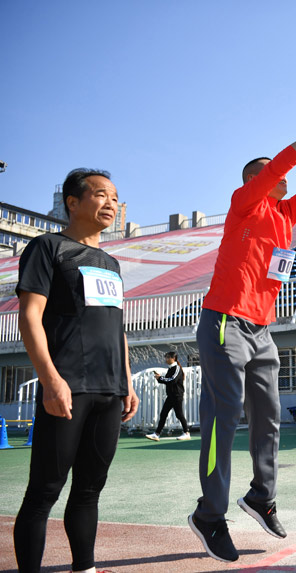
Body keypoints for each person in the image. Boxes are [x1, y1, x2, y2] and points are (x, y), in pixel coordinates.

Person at [189, 98, 296, 563]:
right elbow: (288, 160)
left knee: (268, 416)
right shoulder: (243, 204)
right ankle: (209, 514)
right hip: (224, 321)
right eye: (273, 173)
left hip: (261, 331)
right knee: (224, 420)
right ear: (255, 180)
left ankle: (261, 495)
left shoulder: (285, 217)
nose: (284, 178)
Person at [13, 168, 140, 573]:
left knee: (89, 491)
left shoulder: (111, 263)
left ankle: (84, 567)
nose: (111, 203)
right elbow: (30, 317)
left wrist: (128, 381)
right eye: (101, 194)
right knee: (45, 491)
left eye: (115, 197)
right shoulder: (48, 248)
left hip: (109, 391)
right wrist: (50, 379)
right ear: (73, 202)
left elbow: (115, 326)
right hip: (67, 386)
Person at [145, 351, 190, 441]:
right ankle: (156, 434)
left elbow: (172, 380)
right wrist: (160, 378)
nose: (166, 359)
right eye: (166, 357)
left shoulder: (176, 368)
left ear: (173, 358)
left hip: (177, 395)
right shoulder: (170, 368)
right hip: (171, 396)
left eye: (168, 357)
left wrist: (160, 378)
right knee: (163, 414)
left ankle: (186, 433)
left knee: (179, 414)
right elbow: (168, 381)